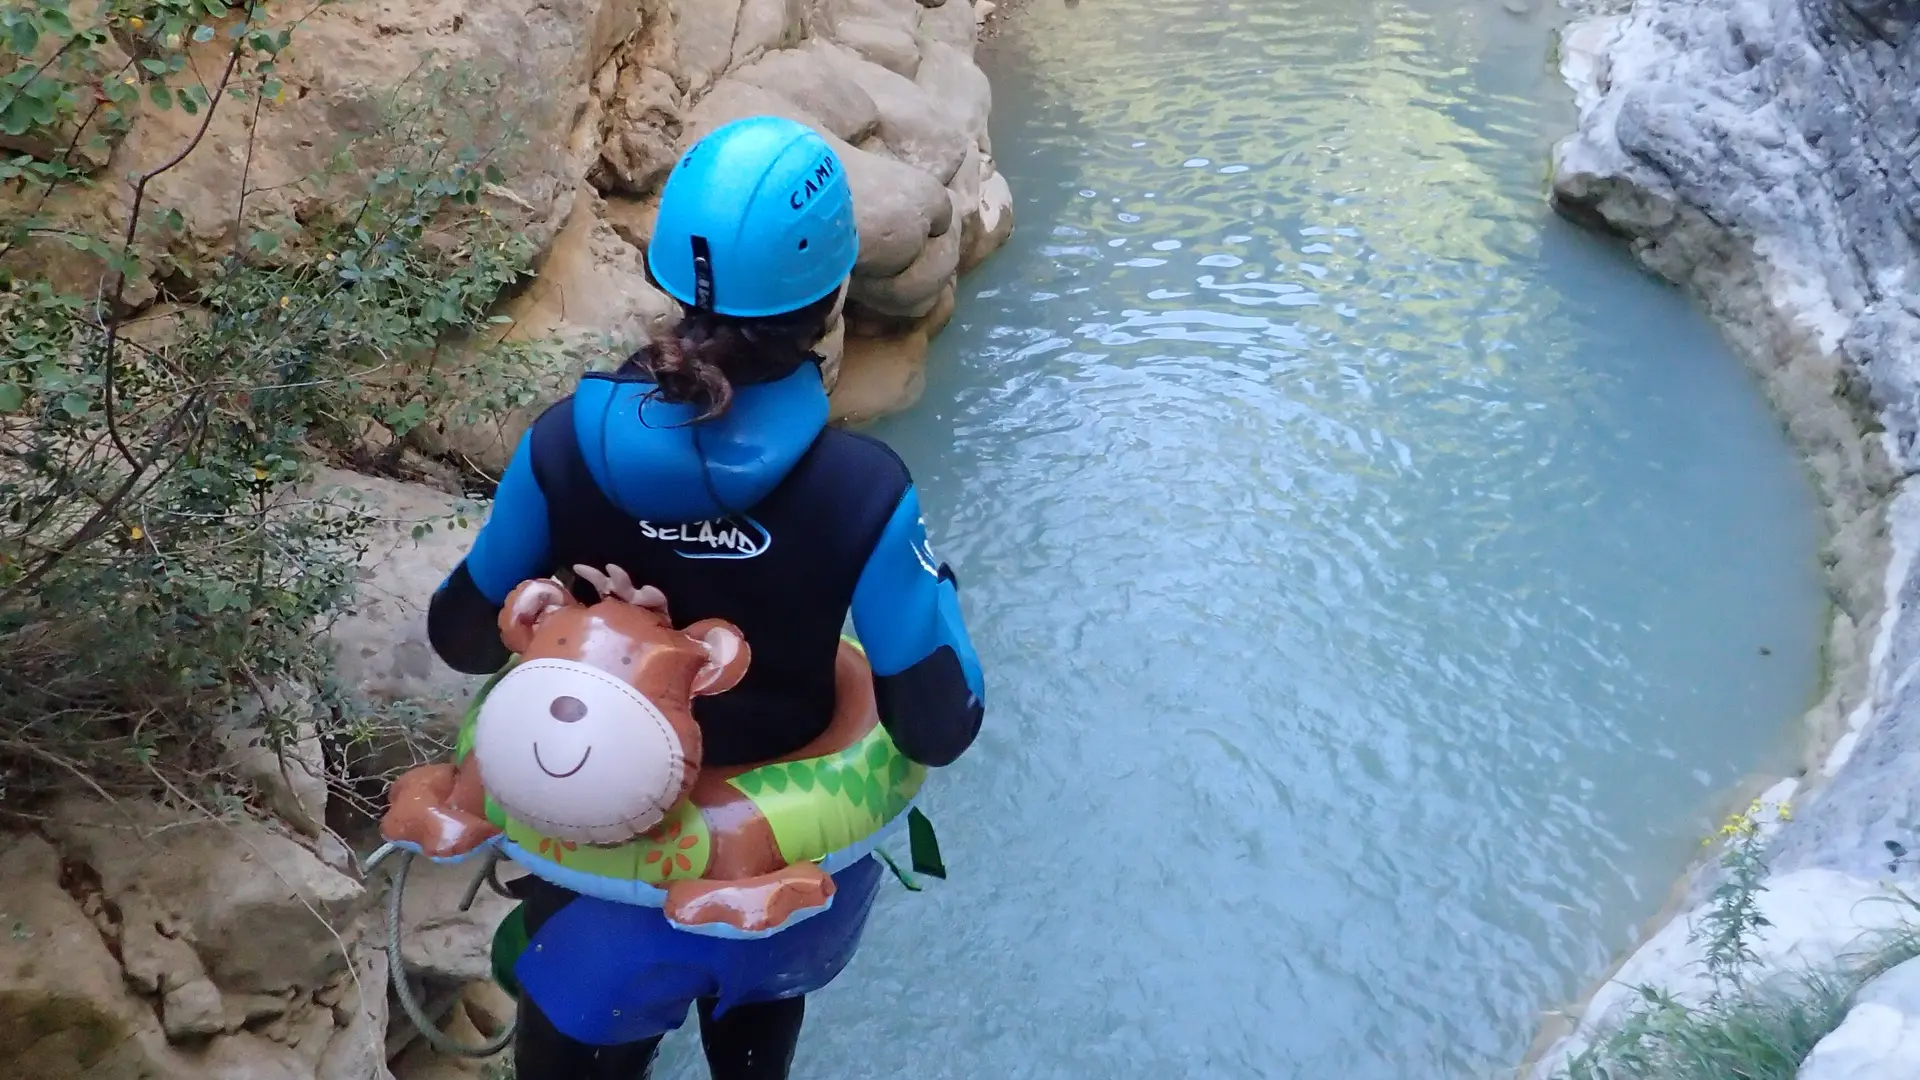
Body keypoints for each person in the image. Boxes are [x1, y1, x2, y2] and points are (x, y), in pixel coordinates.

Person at [422, 115, 986, 1080]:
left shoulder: (560, 449)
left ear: (670, 274)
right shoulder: (863, 491)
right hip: (778, 880)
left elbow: (462, 638)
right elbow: (936, 724)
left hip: (597, 877)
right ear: (835, 288)